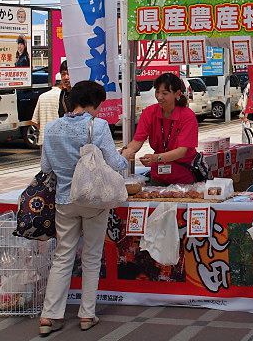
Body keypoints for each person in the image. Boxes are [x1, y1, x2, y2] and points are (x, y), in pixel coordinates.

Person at [38, 80, 128, 335]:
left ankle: (49, 316)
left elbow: (45, 168)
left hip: (65, 200)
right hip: (93, 201)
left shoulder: (52, 127)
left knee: (63, 256)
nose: (99, 111)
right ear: (91, 104)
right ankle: (87, 314)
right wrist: (127, 156)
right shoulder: (97, 126)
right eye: (98, 106)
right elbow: (115, 163)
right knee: (91, 256)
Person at [122, 72, 199, 185]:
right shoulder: (149, 112)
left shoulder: (187, 116)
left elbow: (182, 151)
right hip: (158, 176)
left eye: (165, 93)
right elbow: (137, 141)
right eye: (157, 92)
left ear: (177, 93)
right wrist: (125, 153)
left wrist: (156, 158)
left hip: (183, 177)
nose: (159, 97)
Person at [31, 61, 71, 138]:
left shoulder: (42, 96)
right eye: (63, 74)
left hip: (50, 139)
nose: (66, 77)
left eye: (68, 74)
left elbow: (34, 121)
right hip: (59, 139)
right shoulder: (62, 94)